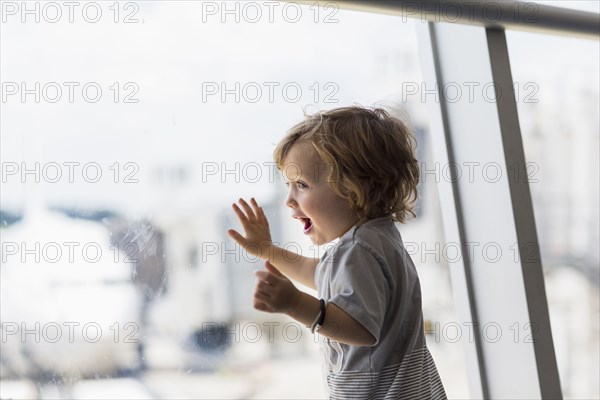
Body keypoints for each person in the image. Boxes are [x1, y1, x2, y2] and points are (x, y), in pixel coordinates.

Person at [227, 106, 447, 399]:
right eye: (289, 187)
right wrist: (268, 251)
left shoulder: (360, 250)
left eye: (302, 185)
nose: (290, 201)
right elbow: (320, 275)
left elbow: (359, 328)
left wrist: (294, 303)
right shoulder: (376, 239)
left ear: (355, 187)